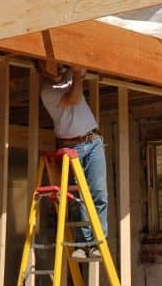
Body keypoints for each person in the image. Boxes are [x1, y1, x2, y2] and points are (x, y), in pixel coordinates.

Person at [37, 60, 108, 259]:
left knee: (99, 193)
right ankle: (82, 244)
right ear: (42, 70)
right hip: (72, 147)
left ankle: (97, 243)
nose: (55, 66)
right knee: (79, 197)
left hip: (93, 142)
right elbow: (74, 99)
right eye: (48, 64)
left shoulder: (68, 75)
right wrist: (76, 74)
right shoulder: (47, 91)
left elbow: (82, 66)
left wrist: (76, 66)